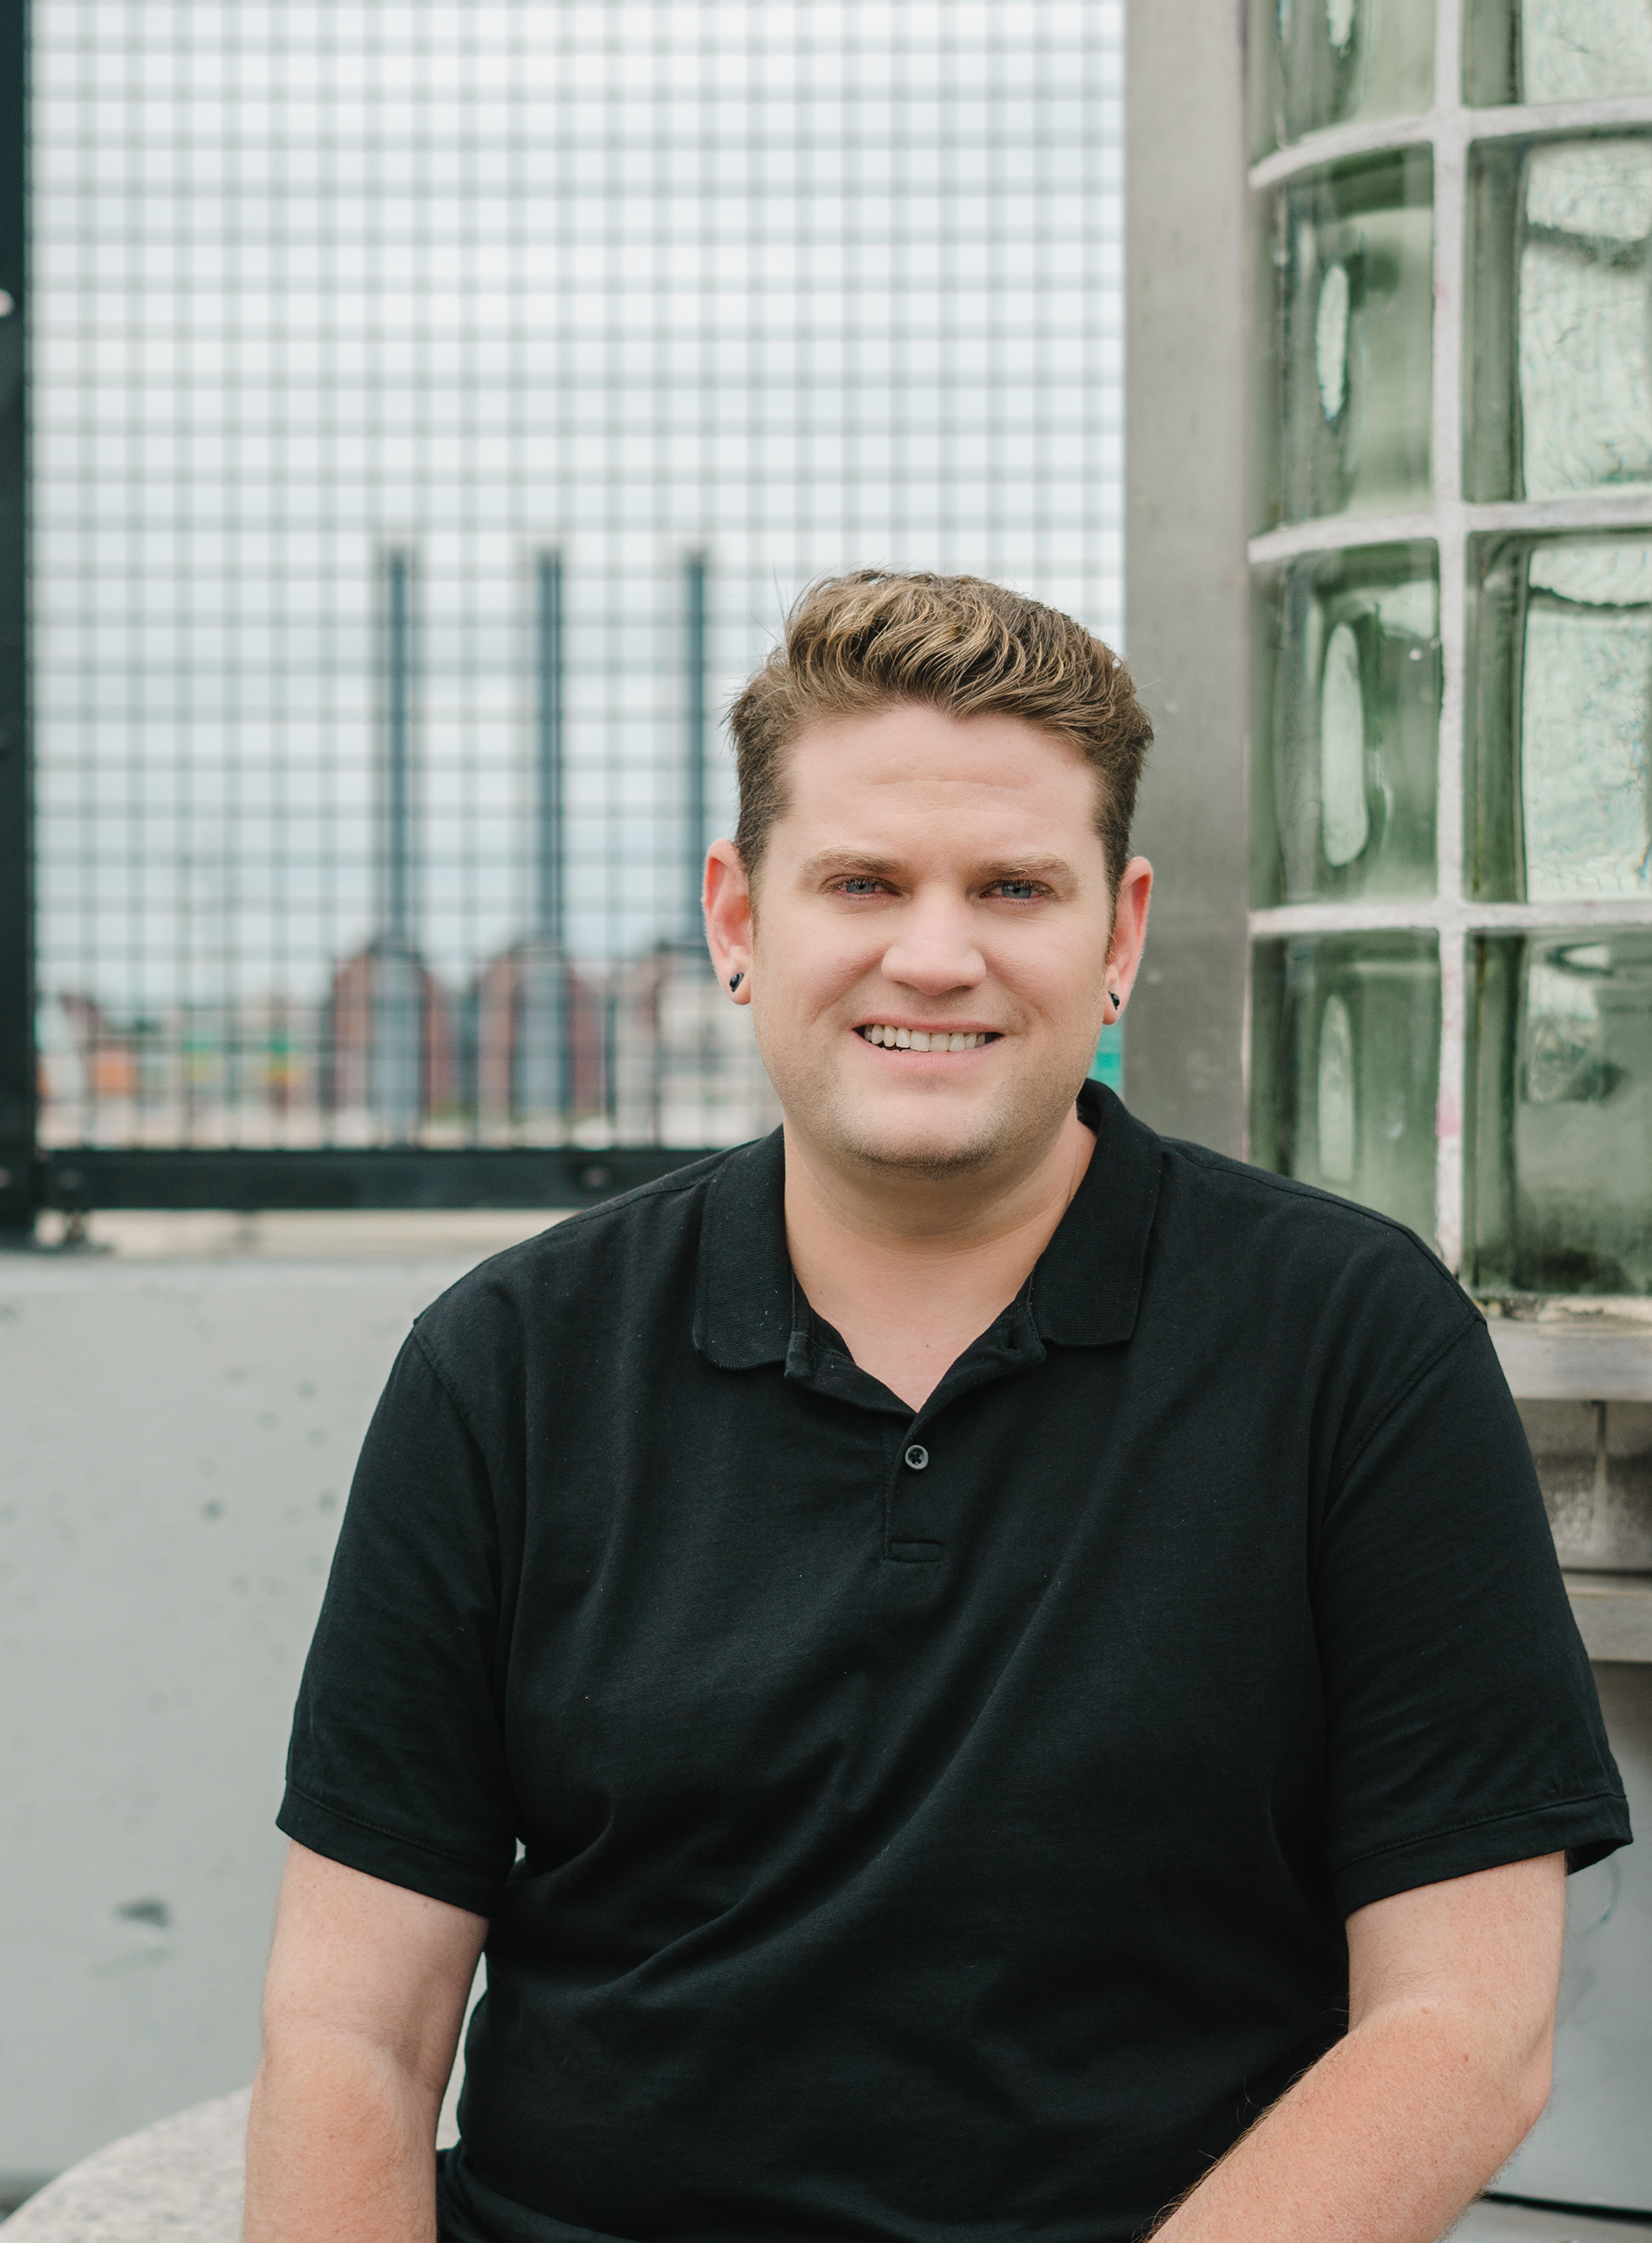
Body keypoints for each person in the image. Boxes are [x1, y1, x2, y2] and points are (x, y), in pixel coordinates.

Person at [245, 572, 1628, 2243]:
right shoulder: (510, 1363)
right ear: (737, 920)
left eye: (1014, 888)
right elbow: (354, 2032)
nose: (936, 955)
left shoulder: (1353, 1342)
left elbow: (1463, 2026)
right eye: (863, 882)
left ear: (1118, 936)